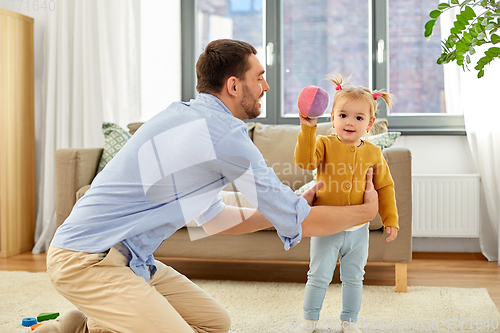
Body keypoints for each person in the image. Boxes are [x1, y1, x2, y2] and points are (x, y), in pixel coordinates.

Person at [37, 40, 379, 333]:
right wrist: (365, 212)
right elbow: (301, 222)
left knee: (215, 323)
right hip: (87, 260)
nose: (266, 86)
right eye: (259, 77)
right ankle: (95, 318)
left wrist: (287, 206)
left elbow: (216, 221)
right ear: (233, 86)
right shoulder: (224, 135)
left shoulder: (190, 119)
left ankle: (82, 326)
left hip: (131, 261)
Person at [292, 74, 399, 333]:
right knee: (318, 276)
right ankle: (309, 321)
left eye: (358, 118)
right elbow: (304, 162)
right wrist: (308, 128)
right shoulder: (323, 143)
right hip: (326, 227)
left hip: (358, 231)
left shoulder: (374, 153)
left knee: (354, 279)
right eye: (343, 116)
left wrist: (390, 219)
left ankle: (349, 321)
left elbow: (385, 187)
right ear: (332, 117)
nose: (350, 122)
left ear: (370, 123)